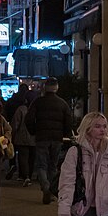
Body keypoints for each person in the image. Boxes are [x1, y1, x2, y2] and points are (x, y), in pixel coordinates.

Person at [27, 77, 76, 205]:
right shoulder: (62, 103)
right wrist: (65, 133)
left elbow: (29, 119)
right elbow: (69, 121)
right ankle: (51, 188)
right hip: (57, 138)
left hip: (42, 137)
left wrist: (33, 131)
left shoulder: (38, 102)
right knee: (53, 165)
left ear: (45, 87)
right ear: (57, 88)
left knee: (41, 165)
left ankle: (45, 187)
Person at [11, 96, 36, 186]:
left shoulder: (21, 109)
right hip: (34, 138)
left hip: (22, 137)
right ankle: (29, 174)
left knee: (23, 157)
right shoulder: (37, 108)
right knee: (31, 158)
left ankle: (25, 176)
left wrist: (12, 135)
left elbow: (15, 123)